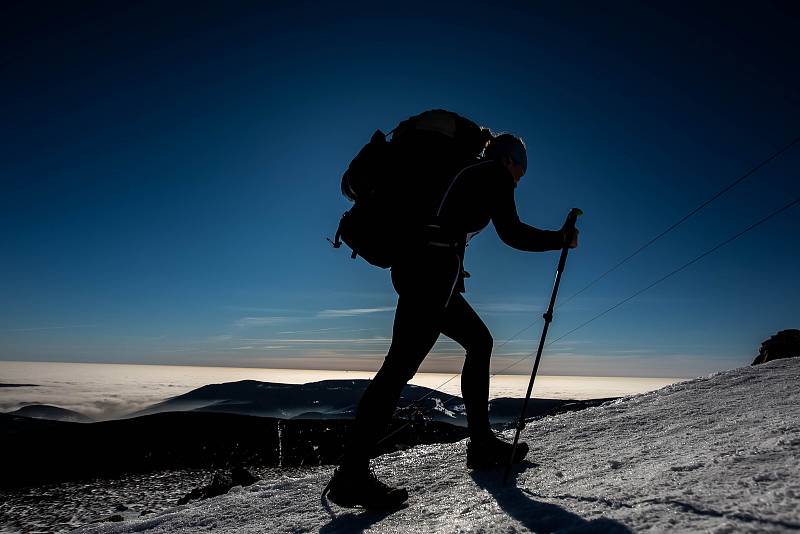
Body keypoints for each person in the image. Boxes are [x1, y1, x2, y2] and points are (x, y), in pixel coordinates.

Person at [323, 133, 579, 508]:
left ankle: (480, 444)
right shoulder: (492, 173)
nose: (520, 177)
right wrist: (560, 239)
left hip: (423, 269)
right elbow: (512, 233)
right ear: (509, 159)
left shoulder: (464, 169)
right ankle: (351, 476)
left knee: (478, 341)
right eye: (521, 168)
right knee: (398, 369)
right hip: (431, 271)